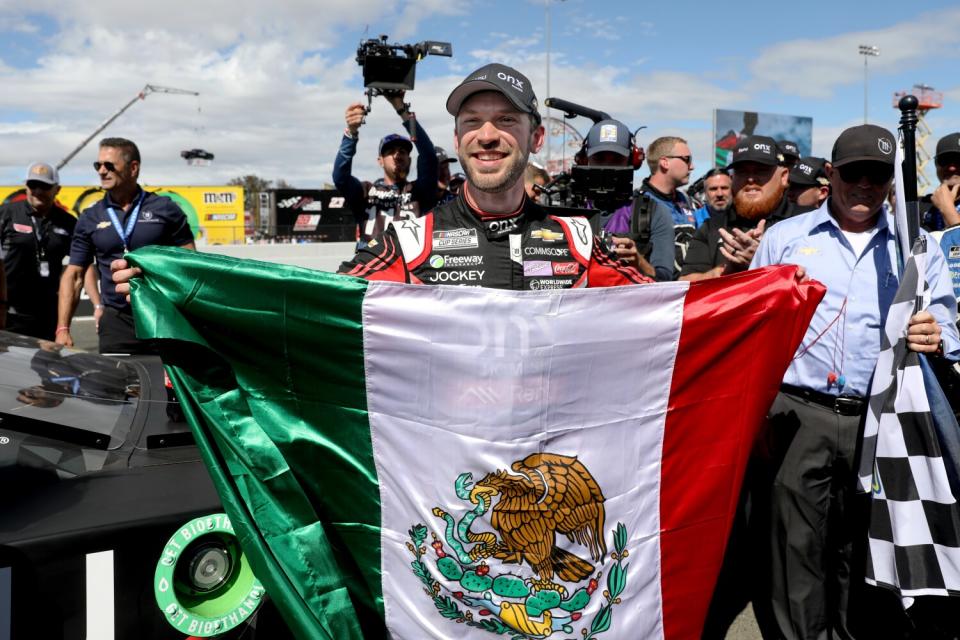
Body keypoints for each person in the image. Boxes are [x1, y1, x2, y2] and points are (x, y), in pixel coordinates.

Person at [115, 64, 648, 294]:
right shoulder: (410, 241)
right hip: (445, 487)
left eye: (507, 121)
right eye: (472, 123)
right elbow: (303, 299)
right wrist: (173, 278)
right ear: (458, 140)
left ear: (535, 139)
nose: (488, 135)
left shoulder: (580, 242)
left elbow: (675, 319)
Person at [752, 124, 960, 638]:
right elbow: (752, 328)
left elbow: (949, 326)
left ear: (890, 181)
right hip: (799, 414)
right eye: (853, 173)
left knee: (863, 548)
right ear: (831, 175)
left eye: (877, 175)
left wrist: (936, 334)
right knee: (795, 547)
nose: (865, 185)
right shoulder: (786, 239)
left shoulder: (918, 248)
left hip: (882, 415)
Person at [57, 137, 195, 355]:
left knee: (166, 388)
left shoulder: (165, 209)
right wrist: (63, 328)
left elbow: (190, 262)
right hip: (116, 322)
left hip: (163, 316)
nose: (102, 171)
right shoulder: (90, 217)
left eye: (109, 165)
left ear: (133, 168)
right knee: (115, 388)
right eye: (98, 165)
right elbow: (74, 275)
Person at [680, 135, 801, 281]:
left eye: (761, 170)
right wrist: (730, 269)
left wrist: (762, 260)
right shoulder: (713, 226)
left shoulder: (807, 223)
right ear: (732, 178)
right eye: (742, 171)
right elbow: (684, 284)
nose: (750, 179)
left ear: (783, 177)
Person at [333, 92, 438, 247]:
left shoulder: (420, 191)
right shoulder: (365, 191)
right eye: (390, 152)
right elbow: (340, 177)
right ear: (380, 161)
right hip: (371, 267)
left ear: (410, 159)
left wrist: (401, 109)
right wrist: (351, 133)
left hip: (409, 266)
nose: (397, 155)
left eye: (403, 151)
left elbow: (429, 155)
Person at [0, 163, 85, 339]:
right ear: (26, 186)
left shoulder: (68, 222)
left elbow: (82, 265)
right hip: (8, 314)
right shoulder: (6, 214)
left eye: (45, 186)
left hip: (47, 316)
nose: (37, 191)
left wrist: (97, 305)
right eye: (32, 185)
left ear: (57, 189)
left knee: (45, 366)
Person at [583, 119, 674, 281]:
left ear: (632, 160)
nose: (607, 167)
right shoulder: (566, 206)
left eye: (616, 159)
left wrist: (639, 262)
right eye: (600, 157)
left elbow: (666, 279)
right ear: (584, 159)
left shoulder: (653, 212)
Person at [921, 132, 960, 232]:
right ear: (936, 164)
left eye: (958, 160)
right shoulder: (918, 207)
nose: (952, 168)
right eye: (945, 160)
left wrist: (948, 210)